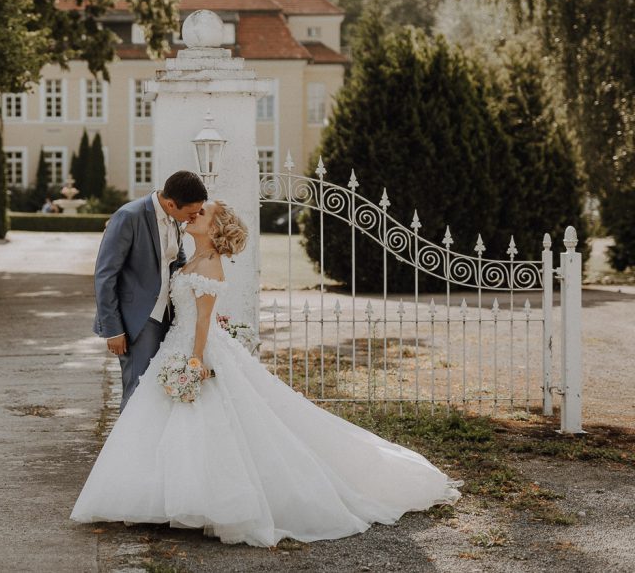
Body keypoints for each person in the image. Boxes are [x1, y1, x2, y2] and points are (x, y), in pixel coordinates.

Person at [72, 200, 462, 547]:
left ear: (214, 227)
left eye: (201, 214)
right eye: (193, 211)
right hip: (176, 344)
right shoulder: (189, 258)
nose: (193, 216)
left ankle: (209, 500)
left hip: (195, 349)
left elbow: (204, 321)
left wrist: (195, 359)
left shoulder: (210, 264)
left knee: (213, 422)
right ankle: (154, 497)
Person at [92, 170, 207, 411]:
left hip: (168, 317)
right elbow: (105, 275)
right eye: (191, 213)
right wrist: (113, 329)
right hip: (137, 320)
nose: (193, 218)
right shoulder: (128, 216)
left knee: (156, 392)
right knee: (137, 391)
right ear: (171, 203)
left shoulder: (175, 218)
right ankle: (126, 448)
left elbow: (177, 262)